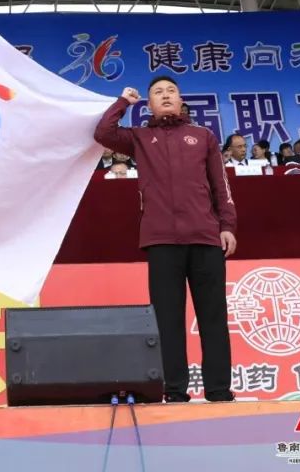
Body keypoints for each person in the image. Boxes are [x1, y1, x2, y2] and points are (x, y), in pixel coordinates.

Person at [94, 76, 237, 403]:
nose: (166, 95)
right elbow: (103, 133)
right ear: (149, 104)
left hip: (205, 237)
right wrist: (123, 102)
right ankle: (174, 390)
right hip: (161, 240)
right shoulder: (140, 138)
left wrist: (227, 225)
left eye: (171, 91)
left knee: (213, 316)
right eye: (158, 92)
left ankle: (218, 389)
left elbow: (221, 185)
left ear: (181, 99)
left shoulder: (203, 136)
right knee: (167, 320)